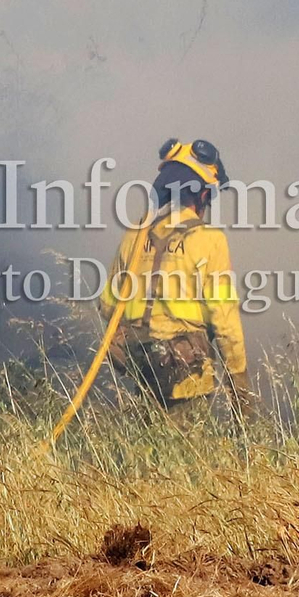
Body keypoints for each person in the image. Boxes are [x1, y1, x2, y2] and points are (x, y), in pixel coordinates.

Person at [100, 138, 254, 414]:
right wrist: (241, 393)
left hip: (143, 374)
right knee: (184, 454)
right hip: (188, 382)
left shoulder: (136, 234)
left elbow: (108, 305)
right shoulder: (209, 239)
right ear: (203, 195)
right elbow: (226, 324)